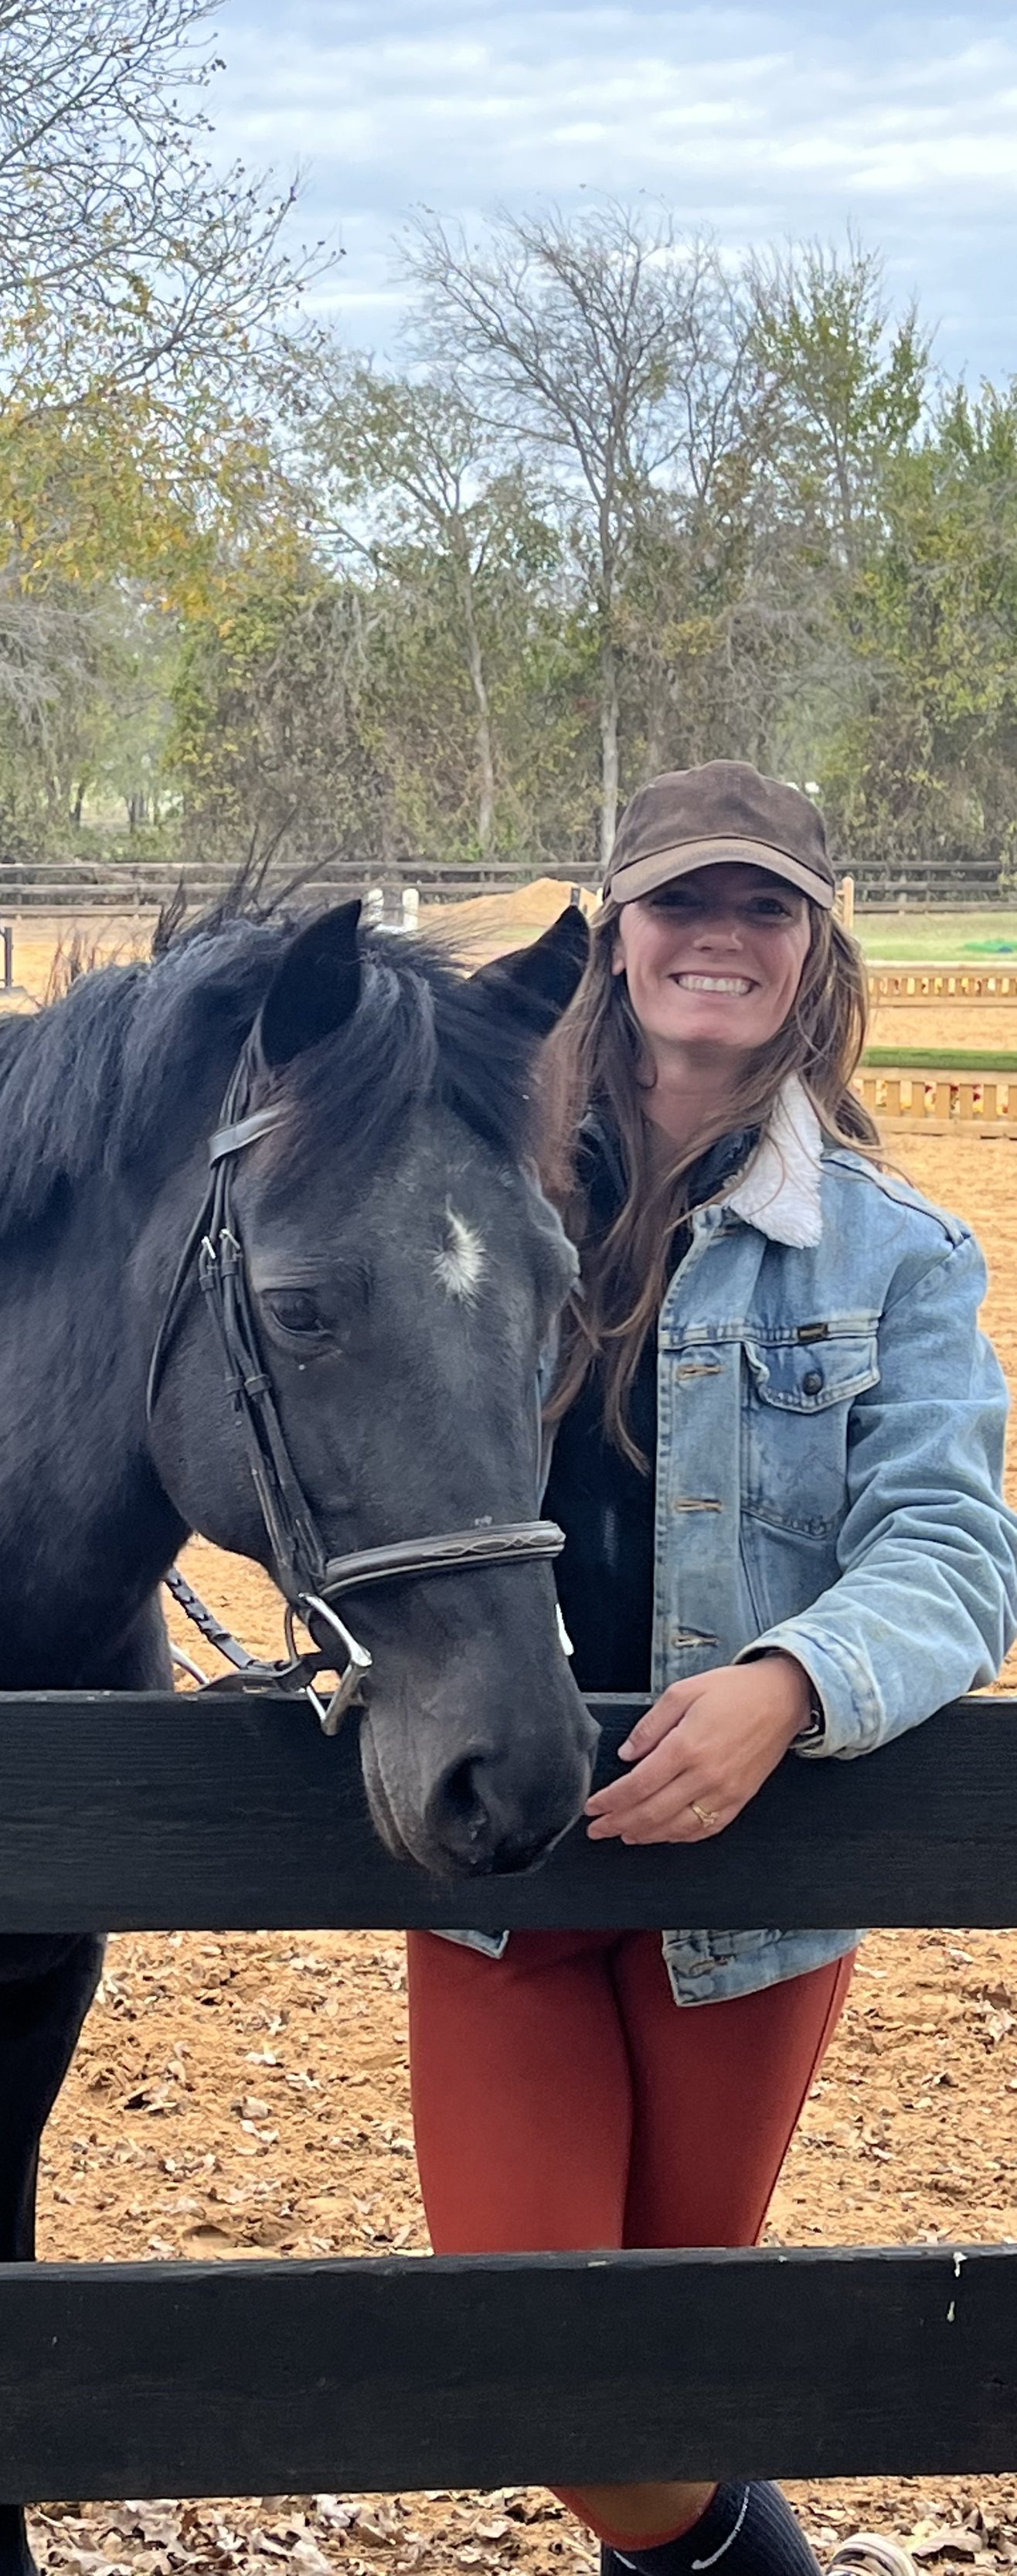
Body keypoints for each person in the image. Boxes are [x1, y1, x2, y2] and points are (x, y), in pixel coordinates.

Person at [405, 762, 1017, 2576]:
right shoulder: (457, 1193)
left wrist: (792, 1679)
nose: (718, 937)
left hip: (744, 1886)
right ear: (614, 932)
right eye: (681, 899)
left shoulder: (893, 1249)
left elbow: (953, 1544)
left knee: (665, 2366)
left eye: (763, 906)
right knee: (548, 2374)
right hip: (505, 1855)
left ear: (812, 947)